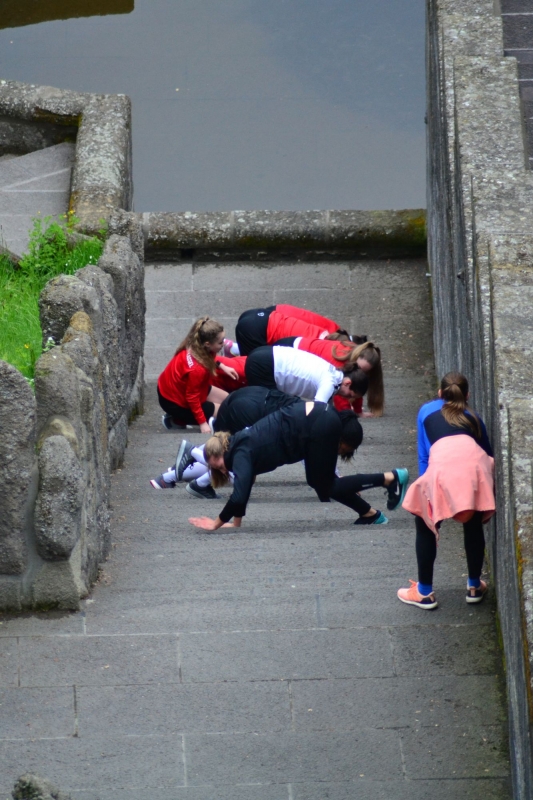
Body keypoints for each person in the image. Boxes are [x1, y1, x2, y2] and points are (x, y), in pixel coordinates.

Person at [187, 400, 409, 531]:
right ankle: (370, 514)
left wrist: (215, 523)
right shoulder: (240, 445)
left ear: (223, 450)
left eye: (218, 464)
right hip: (318, 417)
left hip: (318, 423)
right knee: (319, 483)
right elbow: (244, 487)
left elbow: (239, 495)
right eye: (218, 470)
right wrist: (236, 523)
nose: (222, 469)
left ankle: (389, 478)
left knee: (327, 485)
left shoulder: (240, 454)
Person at [397, 372, 495, 610]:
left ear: (440, 393)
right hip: (473, 469)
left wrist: (428, 494)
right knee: (472, 520)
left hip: (441, 468)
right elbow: (488, 452)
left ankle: (424, 592)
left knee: (425, 524)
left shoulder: (426, 411)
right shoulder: (474, 417)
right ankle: (474, 586)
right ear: (467, 395)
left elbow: (424, 455)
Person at [150, 386, 303, 497]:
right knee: (240, 465)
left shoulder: (306, 408)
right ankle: (193, 455)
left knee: (225, 454)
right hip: (250, 410)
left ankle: (170, 477)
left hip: (248, 397)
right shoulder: (309, 423)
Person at [157, 317, 239, 433]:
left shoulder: (196, 345)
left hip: (177, 388)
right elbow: (192, 397)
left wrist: (222, 366)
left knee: (228, 400)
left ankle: (184, 416)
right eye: (220, 342)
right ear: (208, 344)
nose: (224, 344)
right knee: (225, 413)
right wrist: (202, 423)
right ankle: (175, 420)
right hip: (172, 401)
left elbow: (208, 357)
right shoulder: (198, 369)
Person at [273, 337, 384, 417]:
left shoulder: (355, 364)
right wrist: (347, 416)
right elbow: (339, 396)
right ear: (356, 358)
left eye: (363, 371)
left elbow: (357, 386)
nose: (359, 372)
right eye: (359, 368)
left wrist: (358, 411)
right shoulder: (339, 364)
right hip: (290, 349)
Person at [244, 345, 368, 405]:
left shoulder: (334, 373)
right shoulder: (329, 382)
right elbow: (317, 411)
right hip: (265, 365)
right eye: (350, 395)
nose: (347, 398)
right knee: (266, 407)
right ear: (347, 383)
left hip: (268, 354)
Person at [234, 304, 349, 356]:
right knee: (251, 368)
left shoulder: (327, 332)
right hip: (256, 329)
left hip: (267, 315)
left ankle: (232, 348)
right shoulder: (314, 347)